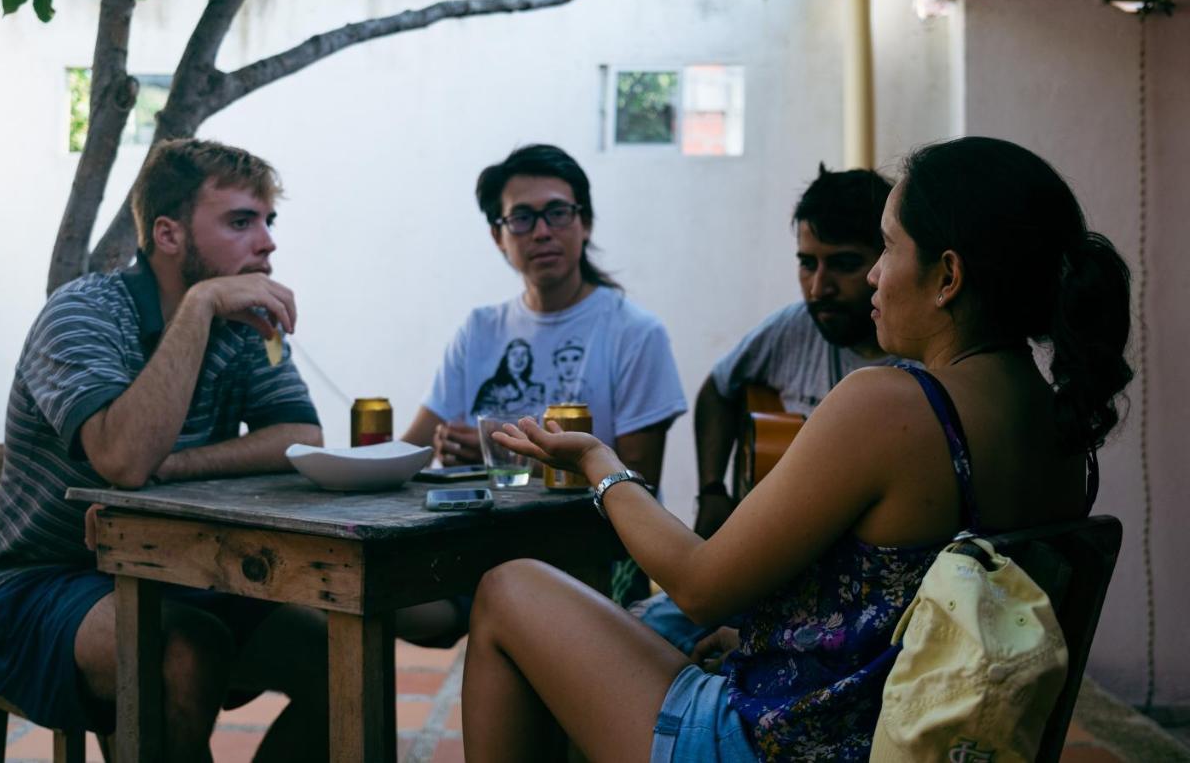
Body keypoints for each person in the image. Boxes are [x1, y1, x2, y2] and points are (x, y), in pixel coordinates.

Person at [461, 136, 1133, 762]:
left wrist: (599, 464)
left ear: (948, 276)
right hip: (894, 735)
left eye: (888, 249)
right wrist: (773, 638)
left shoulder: (891, 405)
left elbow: (698, 586)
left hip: (775, 745)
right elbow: (918, 606)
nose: (872, 276)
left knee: (508, 587)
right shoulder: (1064, 431)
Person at [0, 139, 329, 760]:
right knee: (186, 650)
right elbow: (124, 460)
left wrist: (176, 466)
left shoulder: (245, 328)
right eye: (241, 221)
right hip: (37, 583)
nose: (266, 242)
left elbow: (300, 436)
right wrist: (201, 304)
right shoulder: (82, 314)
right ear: (168, 234)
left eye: (268, 222)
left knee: (335, 654)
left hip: (178, 570)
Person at [402, 143, 686, 609]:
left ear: (585, 223)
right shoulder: (479, 330)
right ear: (499, 236)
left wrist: (508, 460)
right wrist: (439, 450)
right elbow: (413, 448)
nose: (541, 232)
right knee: (366, 603)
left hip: (594, 560)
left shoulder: (633, 333)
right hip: (479, 552)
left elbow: (641, 482)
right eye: (521, 218)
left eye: (557, 213)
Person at [693, 165, 896, 540]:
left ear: (887, 259)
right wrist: (712, 491)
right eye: (807, 264)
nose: (819, 288)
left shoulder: (924, 360)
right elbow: (718, 389)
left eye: (844, 264)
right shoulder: (793, 327)